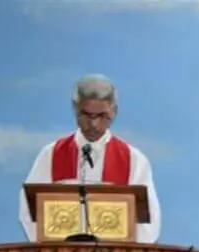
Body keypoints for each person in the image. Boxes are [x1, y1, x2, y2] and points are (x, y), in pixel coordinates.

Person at [19, 74, 162, 243]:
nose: (93, 124)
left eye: (102, 116)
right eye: (86, 115)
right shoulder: (50, 155)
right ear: (75, 108)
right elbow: (29, 210)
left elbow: (149, 221)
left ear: (114, 111)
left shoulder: (134, 161)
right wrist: (53, 248)